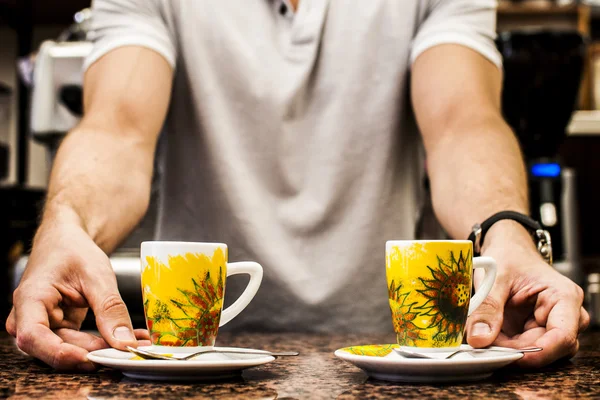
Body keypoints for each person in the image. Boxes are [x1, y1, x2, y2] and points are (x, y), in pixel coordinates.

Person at [7, 0, 588, 372]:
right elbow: (117, 126)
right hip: (191, 365)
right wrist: (65, 226)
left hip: (386, 361)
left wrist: (508, 235)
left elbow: (464, 123)